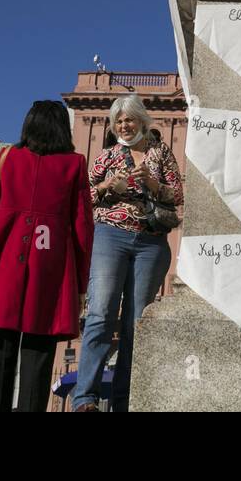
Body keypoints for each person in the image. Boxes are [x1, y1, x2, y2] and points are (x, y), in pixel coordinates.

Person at [0, 100, 93, 412]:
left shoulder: (7, 157)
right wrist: (81, 283)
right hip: (51, 263)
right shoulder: (74, 164)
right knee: (38, 355)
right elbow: (83, 227)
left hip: (2, 257)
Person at [72, 94, 184, 412]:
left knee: (136, 322)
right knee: (101, 313)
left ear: (141, 121)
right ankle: (86, 398)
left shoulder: (160, 153)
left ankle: (124, 400)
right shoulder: (107, 156)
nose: (123, 125)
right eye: (118, 121)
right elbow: (84, 196)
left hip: (150, 242)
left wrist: (152, 182)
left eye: (128, 119)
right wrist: (108, 187)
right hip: (110, 236)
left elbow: (177, 193)